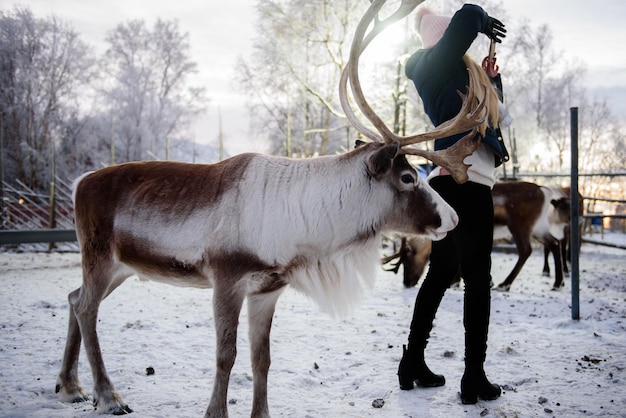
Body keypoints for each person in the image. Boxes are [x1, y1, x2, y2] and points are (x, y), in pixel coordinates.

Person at [397, 4, 510, 404]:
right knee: (477, 278)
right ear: (441, 42)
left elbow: (494, 121)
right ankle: (473, 376)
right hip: (464, 186)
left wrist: (493, 82)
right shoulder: (432, 65)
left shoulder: (456, 74)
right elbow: (468, 15)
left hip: (462, 183)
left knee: (443, 271)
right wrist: (481, 20)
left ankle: (412, 362)